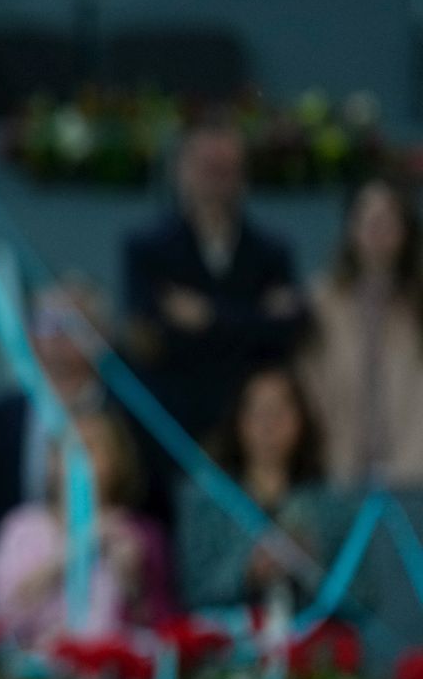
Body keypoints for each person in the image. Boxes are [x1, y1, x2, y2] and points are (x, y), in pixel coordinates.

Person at [122, 120, 303, 441]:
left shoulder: (272, 252)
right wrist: (251, 319)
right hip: (173, 426)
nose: (215, 179)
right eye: (207, 167)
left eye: (226, 169)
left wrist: (210, 317)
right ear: (180, 169)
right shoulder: (146, 249)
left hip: (248, 430)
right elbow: (148, 342)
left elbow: (284, 336)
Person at [0, 409, 173, 650]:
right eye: (69, 449)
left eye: (91, 449)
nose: (79, 460)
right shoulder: (22, 527)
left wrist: (134, 580)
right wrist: (72, 552)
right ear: (52, 461)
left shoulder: (141, 533)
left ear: (118, 461)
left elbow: (160, 624)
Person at [0, 276, 119, 535]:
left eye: (72, 324)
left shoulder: (129, 417)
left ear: (101, 335)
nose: (57, 337)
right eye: (46, 324)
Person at [178, 366, 340, 611]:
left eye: (280, 410)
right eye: (257, 411)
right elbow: (190, 592)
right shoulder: (207, 500)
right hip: (233, 642)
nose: (268, 424)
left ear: (302, 419)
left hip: (311, 641)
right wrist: (248, 570)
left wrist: (312, 562)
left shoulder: (329, 503)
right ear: (238, 420)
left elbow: (364, 598)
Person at [297, 177, 423, 488]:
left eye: (388, 219)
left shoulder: (417, 304)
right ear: (351, 228)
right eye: (368, 218)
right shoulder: (321, 302)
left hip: (412, 475)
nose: (378, 229)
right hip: (338, 471)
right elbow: (309, 385)